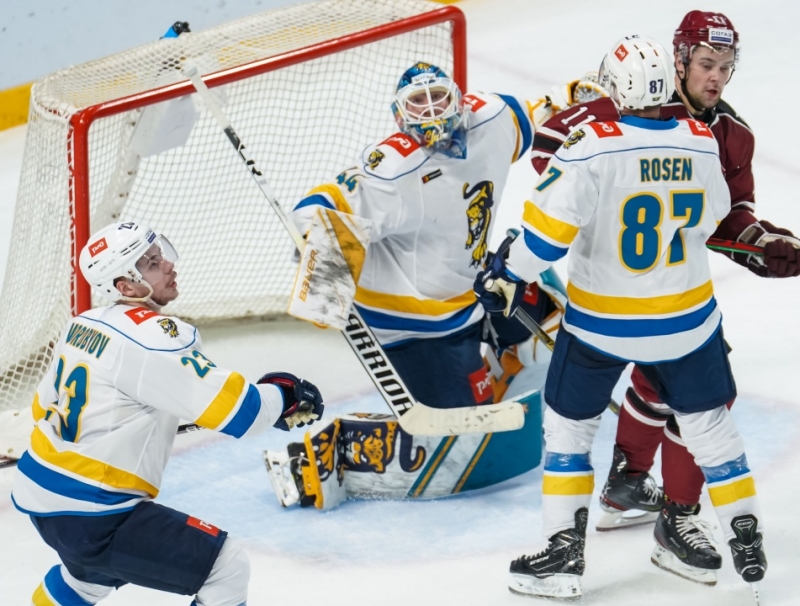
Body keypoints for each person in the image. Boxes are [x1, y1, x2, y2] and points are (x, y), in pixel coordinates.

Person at [475, 35, 767, 600]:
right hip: (686, 323)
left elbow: (543, 243)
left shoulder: (589, 145)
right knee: (711, 430)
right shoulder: (701, 139)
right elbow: (711, 218)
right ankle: (744, 535)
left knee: (569, 431)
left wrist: (504, 272)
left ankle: (563, 554)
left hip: (601, 326)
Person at [530, 10, 800, 584]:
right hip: (612, 296)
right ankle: (674, 517)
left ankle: (628, 486)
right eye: (705, 63)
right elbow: (549, 143)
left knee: (663, 387)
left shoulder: (731, 134)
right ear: (678, 61)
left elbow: (727, 217)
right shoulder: (631, 105)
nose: (716, 77)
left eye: (725, 66)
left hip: (668, 296)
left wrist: (760, 244)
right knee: (699, 399)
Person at [263, 62, 562, 511]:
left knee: (551, 309)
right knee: (463, 440)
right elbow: (325, 202)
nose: (431, 110)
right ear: (399, 114)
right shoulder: (392, 170)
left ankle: (505, 363)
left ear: (459, 98)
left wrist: (572, 97)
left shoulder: (494, 117)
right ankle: (323, 457)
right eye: (418, 102)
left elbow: (537, 112)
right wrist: (317, 245)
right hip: (416, 322)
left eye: (438, 96)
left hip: (474, 286)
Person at [11, 222, 324, 606]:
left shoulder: (81, 324)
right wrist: (284, 394)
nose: (169, 266)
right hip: (95, 513)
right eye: (152, 263)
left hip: (41, 497)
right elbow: (242, 412)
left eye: (160, 255)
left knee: (85, 581)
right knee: (225, 568)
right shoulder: (155, 337)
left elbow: (43, 409)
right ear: (126, 286)